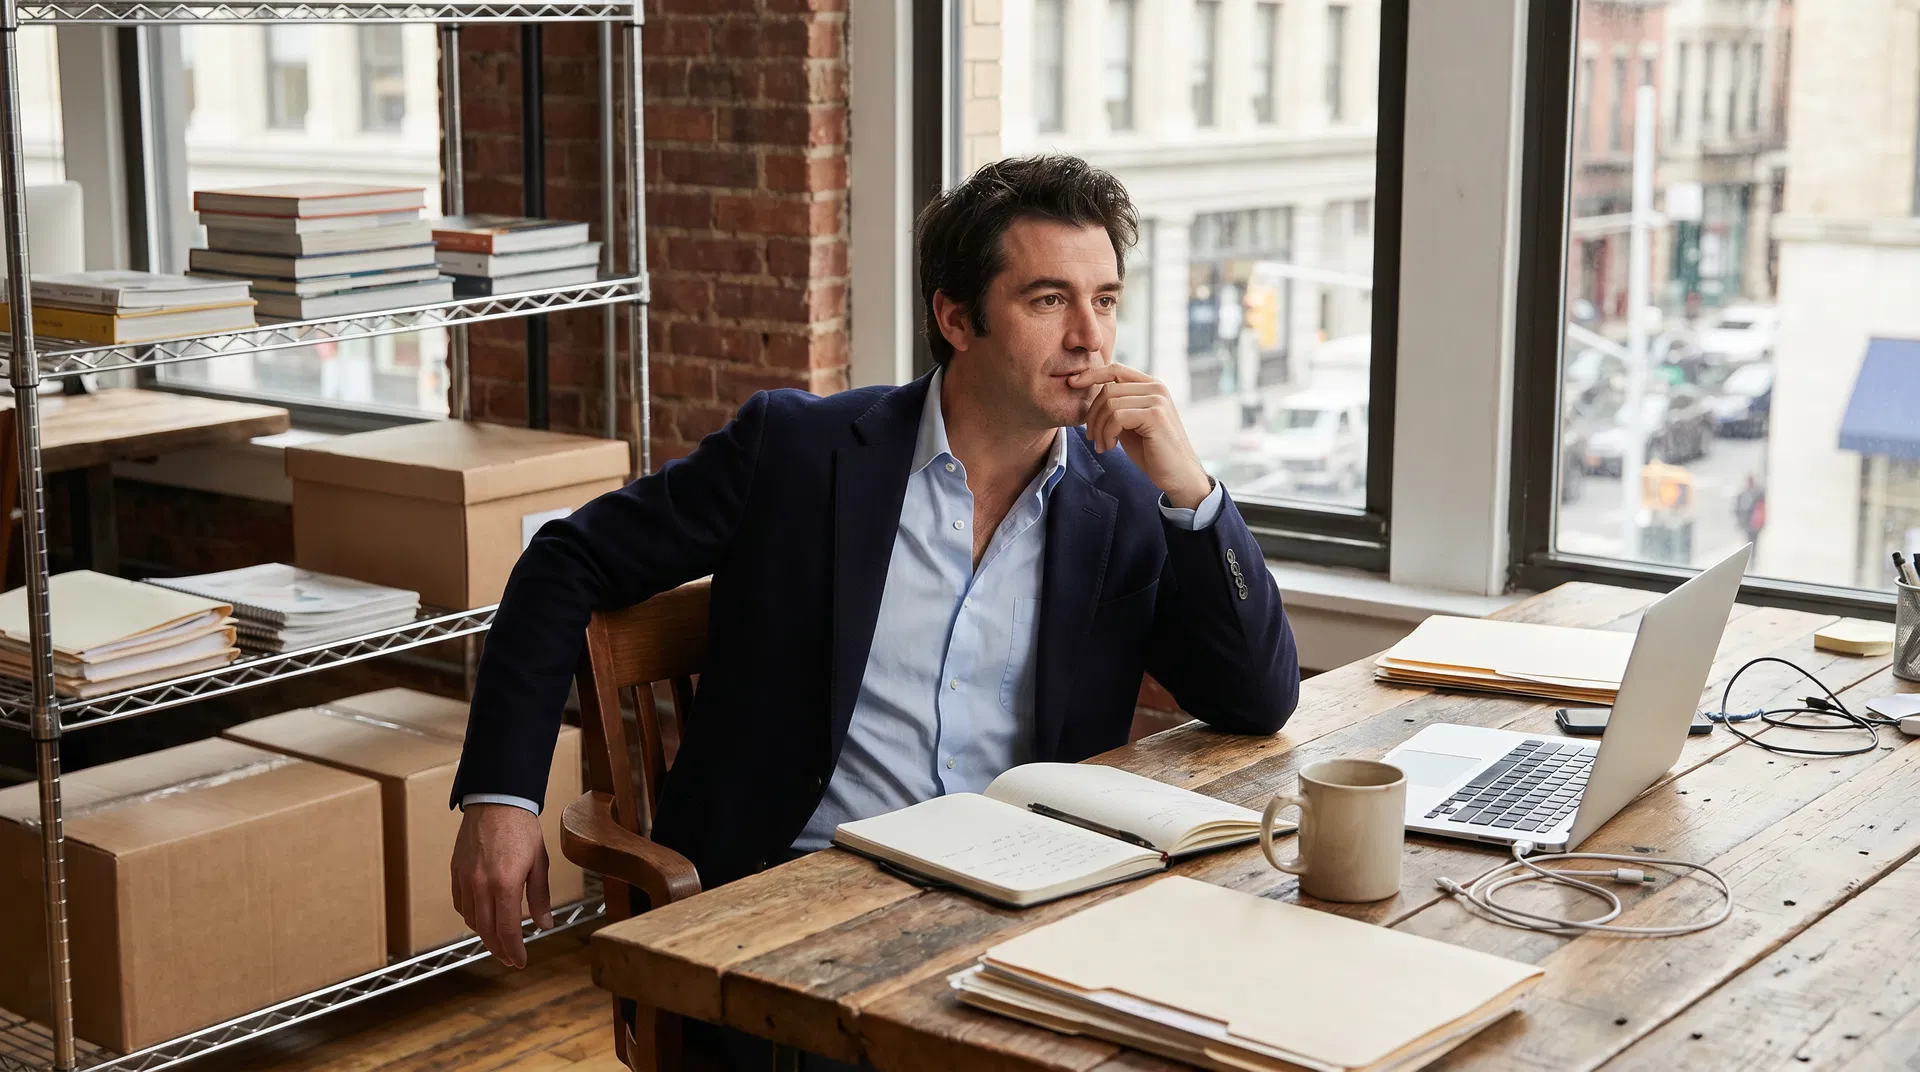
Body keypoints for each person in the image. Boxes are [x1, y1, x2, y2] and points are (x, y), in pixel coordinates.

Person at [447, 155, 1302, 982]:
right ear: (957, 319)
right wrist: (502, 794)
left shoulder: (1123, 497)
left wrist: (1192, 490)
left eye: (1105, 300)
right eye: (1050, 299)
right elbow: (567, 558)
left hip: (1026, 902)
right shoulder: (796, 451)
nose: (1090, 338)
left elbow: (1256, 700)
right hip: (789, 904)